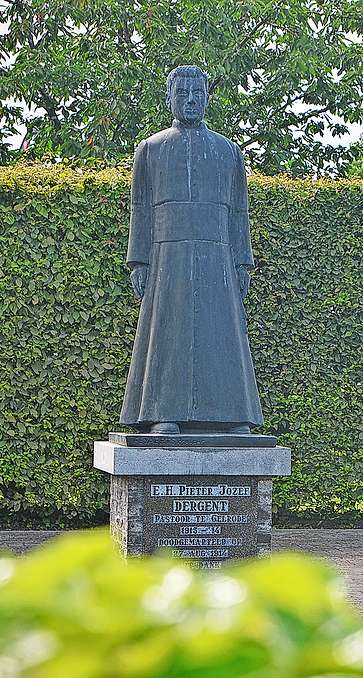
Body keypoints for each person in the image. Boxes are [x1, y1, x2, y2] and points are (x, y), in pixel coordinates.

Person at [120, 65, 263, 435]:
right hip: (168, 258)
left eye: (197, 93)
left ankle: (232, 417)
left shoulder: (228, 151)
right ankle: (163, 413)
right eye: (181, 94)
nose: (190, 100)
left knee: (223, 336)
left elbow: (239, 211)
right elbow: (140, 209)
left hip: (218, 256)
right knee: (169, 335)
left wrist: (242, 261)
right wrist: (139, 260)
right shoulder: (149, 150)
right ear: (169, 98)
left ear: (208, 98)